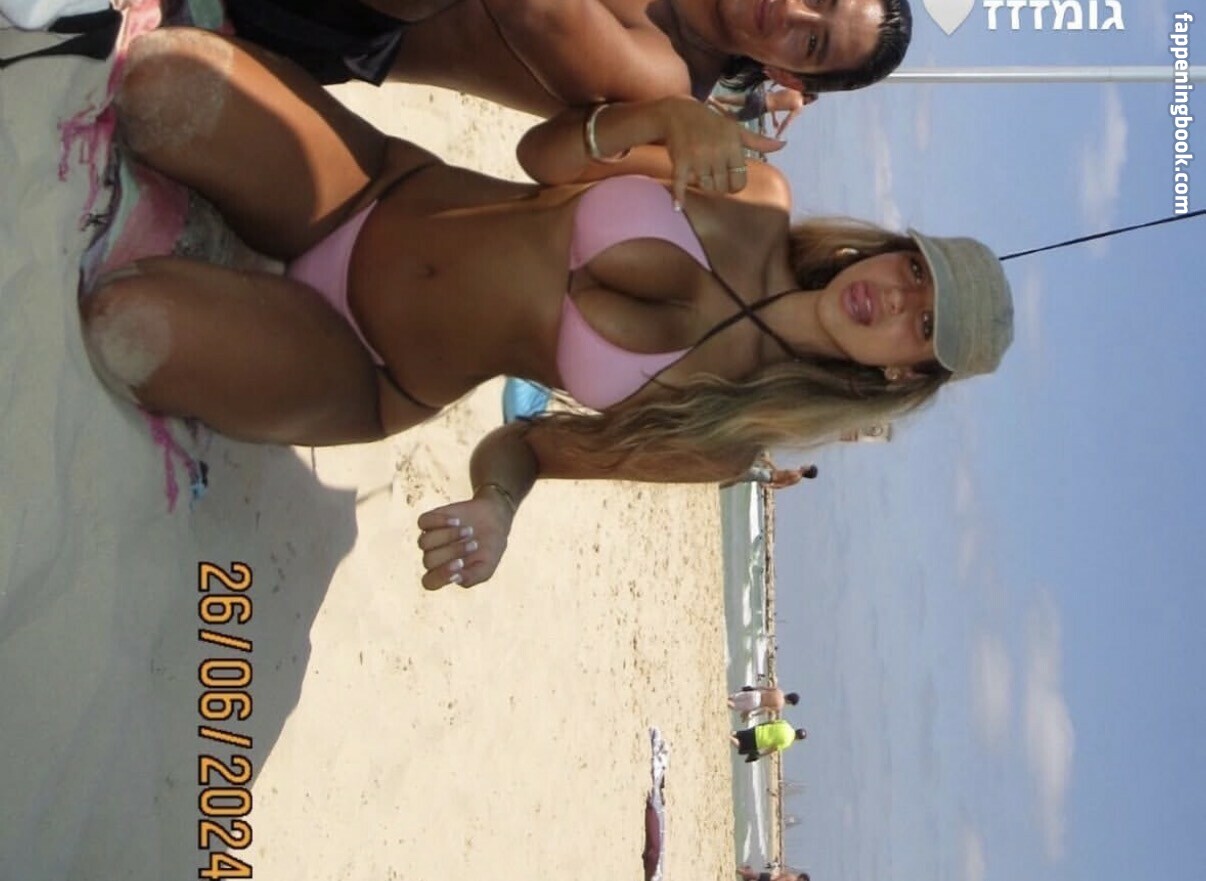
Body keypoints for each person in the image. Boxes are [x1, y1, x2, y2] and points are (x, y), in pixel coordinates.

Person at [80, 36, 1013, 597]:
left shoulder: (727, 439)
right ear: (890, 248)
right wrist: (654, 120)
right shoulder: (753, 191)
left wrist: (494, 509)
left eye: (921, 325)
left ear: (901, 374)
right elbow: (542, 155)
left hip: (366, 364)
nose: (898, 297)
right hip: (370, 190)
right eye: (914, 270)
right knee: (156, 83)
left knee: (127, 326)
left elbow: (528, 447)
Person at [217, 0, 916, 118]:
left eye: (812, 41)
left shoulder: (669, 79)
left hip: (333, 22)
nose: (792, 11)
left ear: (790, 77)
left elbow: (533, 9)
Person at [732, 722, 807, 763]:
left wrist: (760, 725)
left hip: (758, 730)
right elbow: (773, 748)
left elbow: (771, 722)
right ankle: (729, 738)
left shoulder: (786, 724)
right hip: (760, 741)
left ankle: (729, 734)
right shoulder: (788, 742)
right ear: (798, 739)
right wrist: (761, 755)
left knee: (739, 734)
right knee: (741, 746)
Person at [728, 685, 800, 717]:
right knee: (735, 706)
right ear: (790, 702)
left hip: (756, 694)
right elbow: (765, 709)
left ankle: (725, 699)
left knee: (734, 697)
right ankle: (725, 702)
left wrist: (753, 688)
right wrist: (753, 714)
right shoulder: (780, 706)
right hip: (757, 703)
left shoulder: (779, 691)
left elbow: (764, 687)